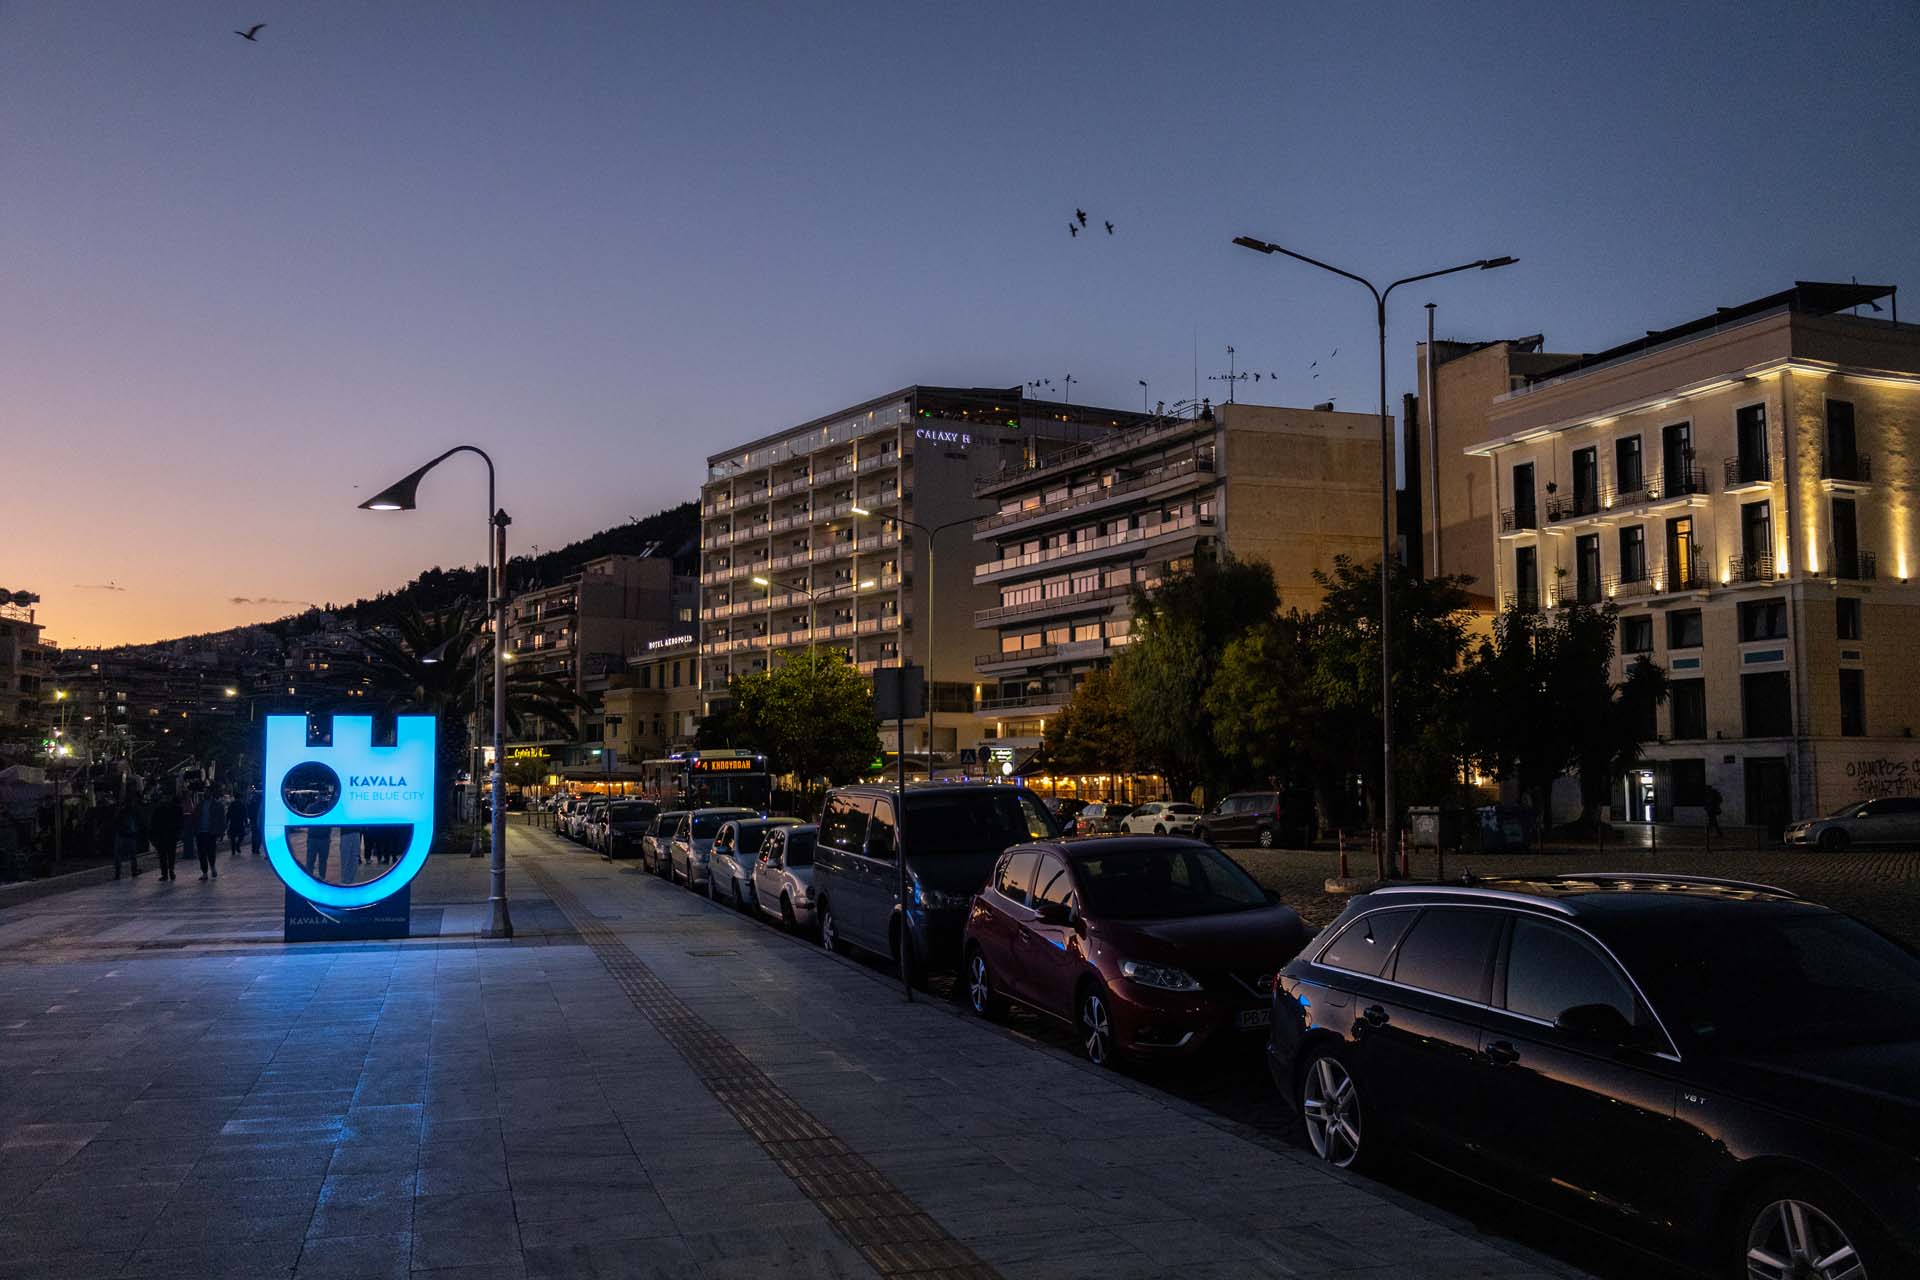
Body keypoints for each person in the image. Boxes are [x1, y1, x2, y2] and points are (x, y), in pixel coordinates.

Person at [148, 785, 181, 881]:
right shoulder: (160, 809)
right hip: (162, 836)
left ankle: (169, 871)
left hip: (169, 835)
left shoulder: (174, 808)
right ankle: (166, 873)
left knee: (169, 855)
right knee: (164, 856)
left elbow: (179, 822)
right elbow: (154, 823)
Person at [192, 784, 221, 880]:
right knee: (201, 853)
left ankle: (212, 867)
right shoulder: (199, 805)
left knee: (211, 852)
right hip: (201, 832)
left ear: (211, 793)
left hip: (211, 832)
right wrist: (195, 829)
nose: (205, 793)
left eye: (207, 792)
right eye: (205, 792)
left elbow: (221, 819)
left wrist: (220, 831)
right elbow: (195, 817)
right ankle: (204, 872)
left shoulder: (217, 805)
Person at [112, 796, 143, 880]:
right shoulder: (134, 812)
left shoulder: (120, 812)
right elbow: (139, 823)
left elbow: (115, 822)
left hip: (120, 836)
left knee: (118, 855)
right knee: (133, 855)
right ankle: (134, 871)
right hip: (131, 836)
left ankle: (117, 873)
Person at [226, 790, 247, 856]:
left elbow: (228, 814)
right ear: (240, 797)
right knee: (241, 835)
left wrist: (227, 822)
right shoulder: (242, 804)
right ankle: (237, 845)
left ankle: (233, 850)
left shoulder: (231, 804)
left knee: (233, 837)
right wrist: (246, 822)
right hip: (240, 822)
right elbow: (245, 814)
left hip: (233, 822)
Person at [247, 785, 264, 856]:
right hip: (258, 821)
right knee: (258, 835)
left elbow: (249, 811)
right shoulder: (261, 805)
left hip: (254, 820)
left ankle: (254, 848)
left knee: (254, 835)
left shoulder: (252, 804)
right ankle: (256, 848)